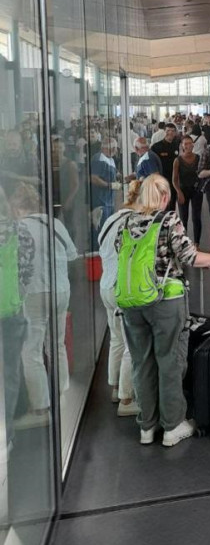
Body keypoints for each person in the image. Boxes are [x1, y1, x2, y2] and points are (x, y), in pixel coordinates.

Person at [115, 174, 210, 447]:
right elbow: (190, 257)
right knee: (169, 361)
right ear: (165, 197)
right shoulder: (167, 220)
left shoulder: (126, 221)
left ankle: (147, 426)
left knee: (141, 363)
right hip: (165, 301)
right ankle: (172, 426)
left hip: (131, 303)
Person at [11, 183, 78, 430]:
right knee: (56, 343)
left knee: (31, 349)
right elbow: (72, 255)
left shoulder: (19, 228)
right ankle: (61, 392)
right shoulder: (55, 224)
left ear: (18, 207)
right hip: (61, 289)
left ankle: (40, 406)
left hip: (33, 293)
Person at [98, 181, 142, 416]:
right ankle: (127, 400)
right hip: (122, 288)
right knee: (132, 344)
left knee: (116, 339)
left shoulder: (111, 219)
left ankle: (115, 387)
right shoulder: (134, 222)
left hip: (106, 285)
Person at [0, 184, 34, 449]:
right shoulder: (19, 232)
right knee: (9, 373)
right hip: (10, 311)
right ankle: (6, 434)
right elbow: (26, 273)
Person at [172, 134, 203, 247]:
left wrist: (200, 188)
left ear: (193, 145)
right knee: (183, 218)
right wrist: (179, 192)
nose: (188, 146)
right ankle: (184, 244)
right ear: (182, 146)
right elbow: (174, 180)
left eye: (190, 143)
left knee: (196, 217)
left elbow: (202, 175)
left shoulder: (198, 158)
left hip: (196, 191)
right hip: (183, 191)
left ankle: (196, 244)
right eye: (186, 144)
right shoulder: (178, 160)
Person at [90, 137, 121, 230]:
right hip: (100, 202)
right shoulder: (99, 159)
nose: (115, 150)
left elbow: (115, 173)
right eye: (113, 148)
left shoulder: (110, 159)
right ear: (105, 148)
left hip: (109, 201)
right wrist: (109, 185)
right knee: (101, 230)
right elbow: (93, 178)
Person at [151, 123, 180, 209]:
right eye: (168, 131)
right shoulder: (156, 147)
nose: (170, 133)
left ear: (175, 133)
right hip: (162, 181)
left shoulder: (178, 145)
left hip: (174, 181)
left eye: (172, 131)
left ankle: (171, 222)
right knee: (161, 206)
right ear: (164, 132)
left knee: (172, 206)